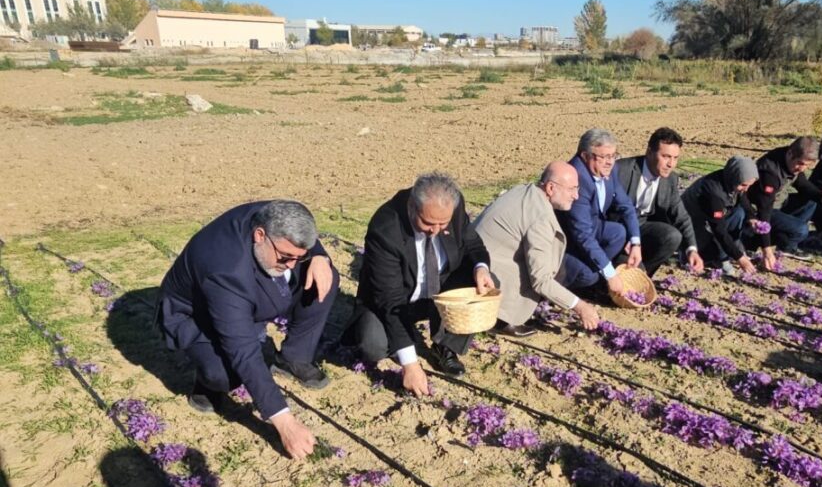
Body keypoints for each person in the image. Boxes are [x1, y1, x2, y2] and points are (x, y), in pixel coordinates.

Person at [157, 200, 338, 460]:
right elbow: (242, 350)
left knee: (323, 276)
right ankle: (207, 384)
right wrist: (285, 423)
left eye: (297, 257)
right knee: (224, 372)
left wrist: (318, 256)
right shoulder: (225, 270)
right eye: (285, 258)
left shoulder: (275, 215)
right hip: (198, 315)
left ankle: (292, 358)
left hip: (241, 296)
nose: (291, 265)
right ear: (260, 235)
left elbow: (301, 240)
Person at [343, 172, 495, 395]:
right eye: (428, 223)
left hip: (439, 290)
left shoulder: (453, 205)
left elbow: (471, 242)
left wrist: (481, 267)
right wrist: (411, 365)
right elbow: (389, 299)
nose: (435, 231)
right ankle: (402, 343)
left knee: (482, 284)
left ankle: (445, 347)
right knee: (372, 347)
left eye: (443, 223)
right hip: (400, 296)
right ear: (413, 207)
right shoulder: (386, 229)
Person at [473, 161, 601, 336]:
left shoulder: (524, 191)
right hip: (486, 276)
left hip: (477, 259)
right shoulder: (540, 218)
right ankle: (501, 319)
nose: (576, 196)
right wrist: (580, 306)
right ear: (550, 188)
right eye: (572, 189)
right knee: (551, 272)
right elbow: (540, 280)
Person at [557, 128, 643, 296]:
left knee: (618, 232)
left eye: (613, 156)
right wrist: (610, 273)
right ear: (585, 155)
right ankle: (562, 285)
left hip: (591, 225)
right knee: (588, 275)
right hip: (567, 239)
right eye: (603, 157)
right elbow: (582, 234)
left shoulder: (609, 170)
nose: (609, 162)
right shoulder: (576, 179)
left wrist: (636, 243)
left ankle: (594, 269)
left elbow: (626, 206)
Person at [616, 127, 705, 275]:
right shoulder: (622, 170)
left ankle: (643, 275)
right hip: (618, 229)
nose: (671, 164)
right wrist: (627, 236)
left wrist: (691, 250)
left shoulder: (670, 179)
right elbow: (606, 211)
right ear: (649, 152)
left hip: (642, 225)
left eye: (675, 158)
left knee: (672, 236)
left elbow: (681, 216)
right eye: (666, 156)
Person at [753, 137, 822, 266]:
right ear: (790, 153)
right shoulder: (770, 172)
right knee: (801, 229)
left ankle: (787, 244)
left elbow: (802, 184)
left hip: (778, 203)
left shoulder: (790, 159)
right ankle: (758, 242)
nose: (802, 168)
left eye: (807, 165)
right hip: (758, 211)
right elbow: (764, 212)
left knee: (812, 202)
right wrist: (766, 251)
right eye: (801, 163)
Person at [680, 156, 762, 275]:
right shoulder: (713, 193)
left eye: (749, 185)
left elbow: (742, 198)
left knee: (739, 213)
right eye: (744, 185)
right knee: (708, 253)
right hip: (692, 222)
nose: (746, 189)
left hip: (711, 218)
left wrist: (751, 217)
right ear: (734, 177)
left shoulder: (731, 181)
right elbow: (719, 229)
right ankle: (690, 252)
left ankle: (723, 254)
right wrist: (739, 257)